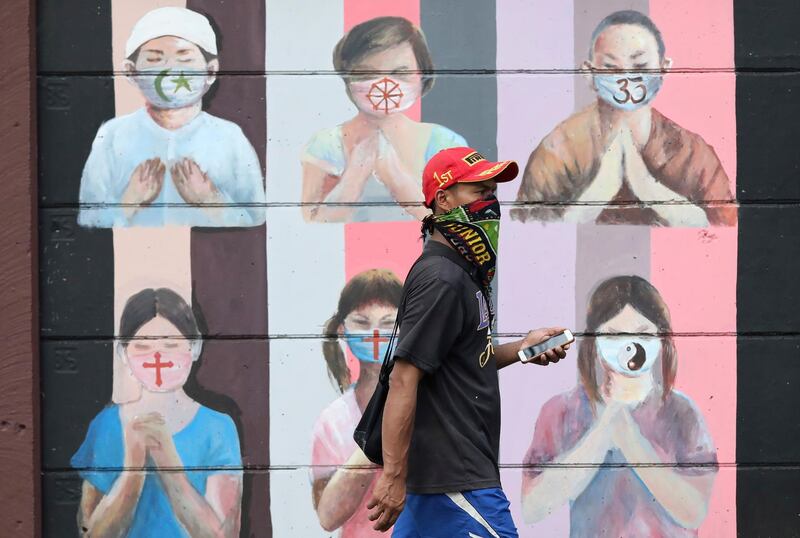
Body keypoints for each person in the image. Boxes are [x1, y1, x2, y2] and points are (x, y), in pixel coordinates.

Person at [366, 147, 571, 537]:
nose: (490, 203)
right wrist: (393, 476)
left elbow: (459, 358)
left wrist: (523, 349)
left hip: (446, 479)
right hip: (457, 479)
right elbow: (404, 378)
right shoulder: (441, 278)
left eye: (493, 192)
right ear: (443, 200)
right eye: (479, 192)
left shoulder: (460, 271)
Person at [521, 276, 717, 537]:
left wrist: (631, 440)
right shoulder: (562, 411)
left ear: (660, 338)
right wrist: (603, 432)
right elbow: (532, 509)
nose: (630, 345)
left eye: (643, 333)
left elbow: (694, 512)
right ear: (595, 340)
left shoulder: (682, 413)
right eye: (614, 335)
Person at [511, 10, 736, 227]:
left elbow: (727, 231)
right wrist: (597, 193)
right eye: (610, 67)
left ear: (663, 68)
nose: (626, 77)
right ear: (590, 73)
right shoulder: (559, 149)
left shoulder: (693, 153)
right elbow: (526, 232)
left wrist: (650, 189)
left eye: (640, 66)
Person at [71, 288, 242, 537]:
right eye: (142, 346)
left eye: (171, 344)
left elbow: (224, 535)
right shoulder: (107, 425)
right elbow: (91, 532)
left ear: (194, 348)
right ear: (123, 353)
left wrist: (169, 464)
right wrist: (132, 471)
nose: (158, 357)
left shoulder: (218, 427)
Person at [78, 7, 266, 228]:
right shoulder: (113, 134)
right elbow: (88, 220)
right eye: (155, 60)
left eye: (184, 59)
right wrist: (130, 202)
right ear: (131, 72)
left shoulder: (229, 136)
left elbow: (256, 218)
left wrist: (210, 200)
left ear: (211, 71)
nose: (170, 71)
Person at [301, 16, 467, 223]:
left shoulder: (446, 144)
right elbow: (307, 225)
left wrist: (399, 183)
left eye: (400, 73)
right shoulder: (325, 144)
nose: (385, 85)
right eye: (367, 74)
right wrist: (352, 180)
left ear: (422, 74)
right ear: (348, 78)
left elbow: (462, 228)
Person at [311, 269, 403, 536]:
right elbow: (328, 517)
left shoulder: (430, 404)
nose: (375, 334)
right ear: (342, 329)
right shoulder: (332, 421)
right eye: (362, 322)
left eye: (388, 323)